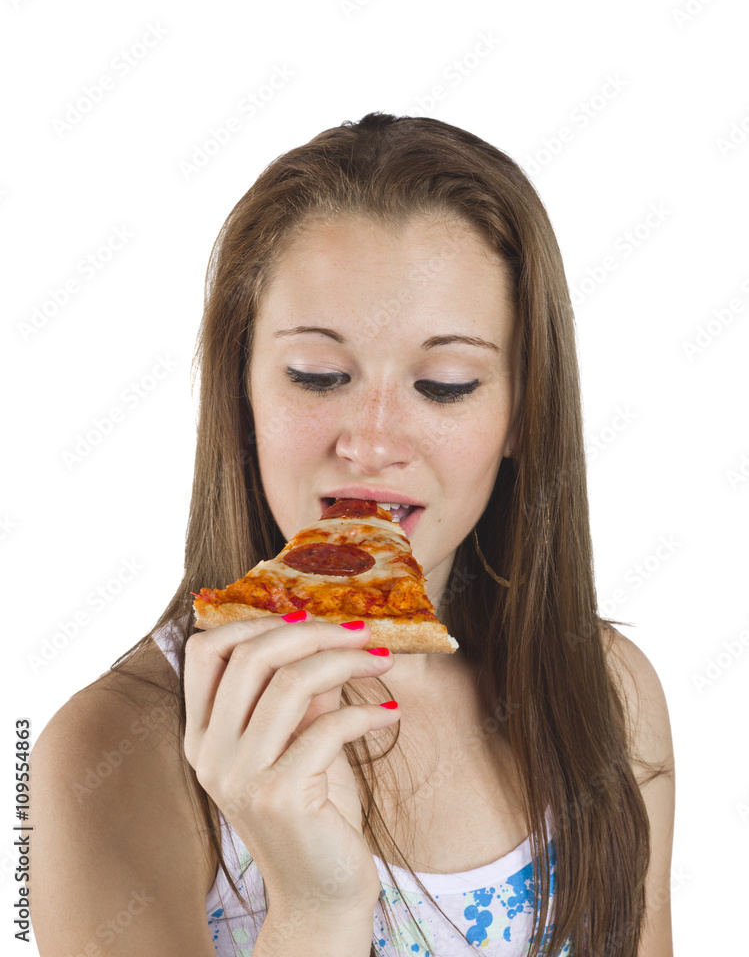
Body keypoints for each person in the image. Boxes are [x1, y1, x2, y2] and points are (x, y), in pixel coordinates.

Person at [30, 112, 675, 957]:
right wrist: (315, 909)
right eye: (317, 376)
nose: (370, 442)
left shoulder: (607, 692)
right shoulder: (110, 752)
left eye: (444, 384)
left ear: (522, 411)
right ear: (242, 392)